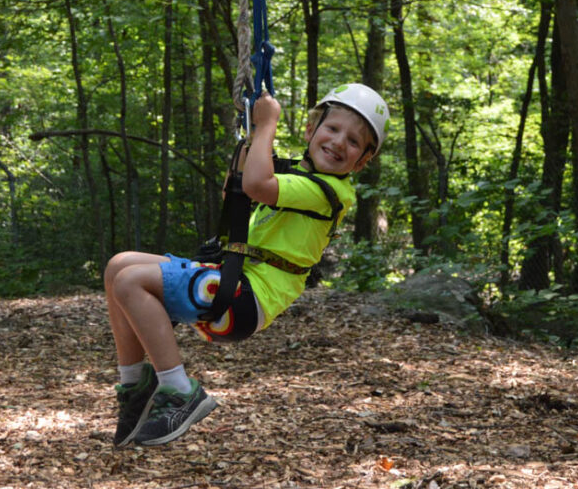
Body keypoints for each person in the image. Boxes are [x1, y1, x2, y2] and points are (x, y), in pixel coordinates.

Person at [102, 83, 388, 447]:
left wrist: (266, 125)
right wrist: (244, 158)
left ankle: (179, 391)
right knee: (118, 267)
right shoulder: (297, 177)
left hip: (243, 301)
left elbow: (256, 185)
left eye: (352, 141)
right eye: (332, 129)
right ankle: (135, 387)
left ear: (361, 161)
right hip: (230, 280)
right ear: (311, 129)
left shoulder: (327, 192)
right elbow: (240, 194)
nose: (338, 142)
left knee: (131, 282)